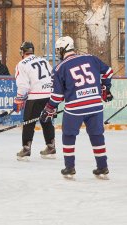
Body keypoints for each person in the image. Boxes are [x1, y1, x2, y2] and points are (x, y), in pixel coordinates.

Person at [40, 36, 113, 178]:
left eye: (58, 50)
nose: (58, 53)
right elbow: (108, 71)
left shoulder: (59, 68)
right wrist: (105, 88)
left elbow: (57, 96)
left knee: (68, 135)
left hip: (75, 109)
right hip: (95, 105)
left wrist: (49, 108)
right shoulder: (91, 58)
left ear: (62, 49)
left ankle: (69, 167)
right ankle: (102, 167)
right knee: (97, 135)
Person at [13, 41, 56, 161]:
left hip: (35, 97)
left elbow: (23, 86)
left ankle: (26, 149)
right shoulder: (44, 60)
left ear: (22, 52)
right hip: (49, 95)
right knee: (47, 120)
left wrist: (19, 99)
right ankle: (51, 146)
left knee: (28, 123)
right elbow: (53, 76)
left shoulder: (21, 64)